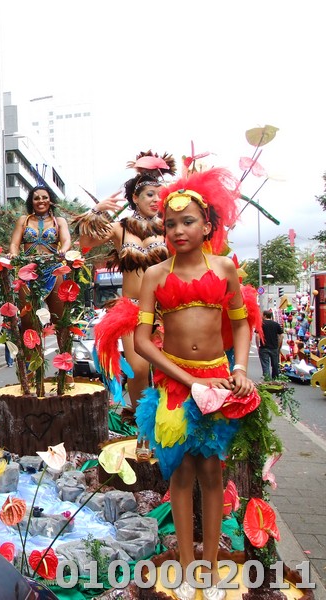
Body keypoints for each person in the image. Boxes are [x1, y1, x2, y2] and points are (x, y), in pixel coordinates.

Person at [134, 167, 257, 600]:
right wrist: (187, 379)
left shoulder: (225, 268)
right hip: (174, 384)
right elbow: (142, 340)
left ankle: (212, 567)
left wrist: (239, 370)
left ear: (207, 226)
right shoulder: (154, 274)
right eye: (170, 223)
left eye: (188, 221)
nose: (178, 230)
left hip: (218, 383)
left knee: (212, 473)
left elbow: (241, 325)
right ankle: (186, 569)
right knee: (181, 473)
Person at [78, 151, 176, 458]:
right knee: (138, 368)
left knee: (169, 370)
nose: (156, 200)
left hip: (166, 309)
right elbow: (85, 244)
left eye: (159, 195)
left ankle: (168, 430)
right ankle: (143, 432)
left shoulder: (169, 227)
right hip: (132, 309)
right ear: (135, 197)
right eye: (149, 194)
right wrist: (96, 211)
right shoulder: (120, 228)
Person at [8, 185, 72, 349]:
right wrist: (13, 254)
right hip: (27, 272)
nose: (40, 201)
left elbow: (66, 241)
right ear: (31, 201)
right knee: (28, 320)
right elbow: (14, 244)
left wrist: (64, 250)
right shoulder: (24, 221)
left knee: (60, 320)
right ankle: (32, 362)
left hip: (54, 270)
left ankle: (66, 362)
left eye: (44, 197)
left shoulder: (60, 221)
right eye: (36, 198)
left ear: (51, 200)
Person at [257, 309, 284, 379]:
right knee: (275, 364)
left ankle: (267, 379)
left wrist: (258, 345)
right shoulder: (276, 324)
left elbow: (257, 335)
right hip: (274, 347)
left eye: (262, 315)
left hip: (263, 347)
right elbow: (281, 336)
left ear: (265, 316)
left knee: (265, 364)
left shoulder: (261, 324)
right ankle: (275, 378)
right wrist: (278, 345)